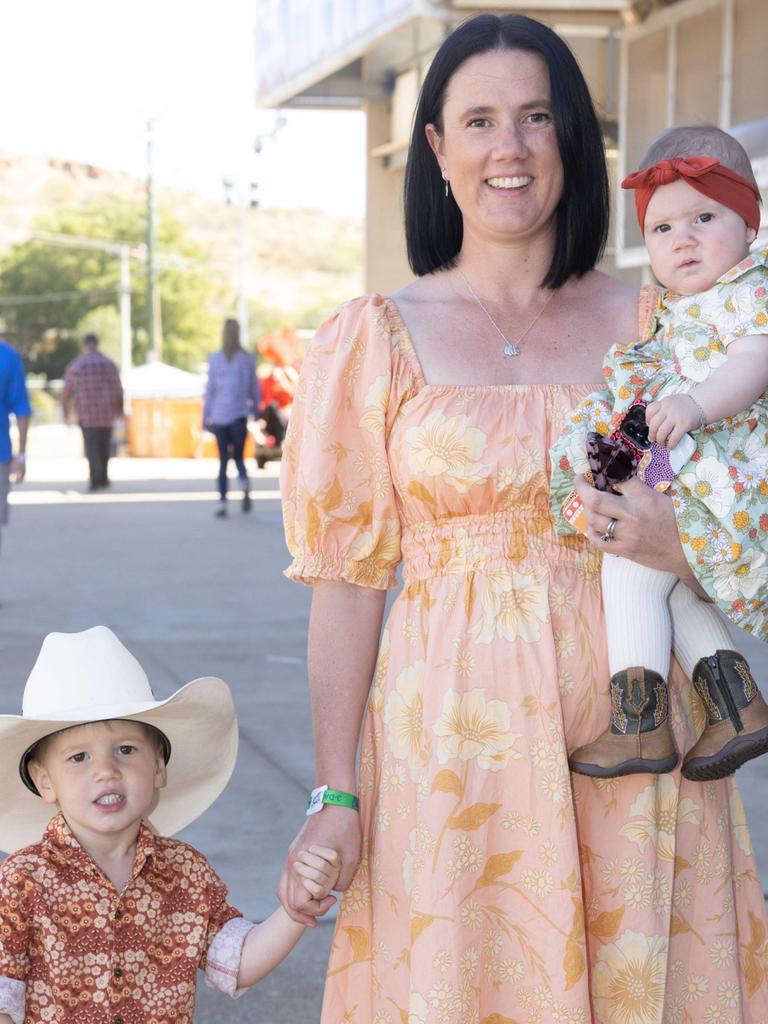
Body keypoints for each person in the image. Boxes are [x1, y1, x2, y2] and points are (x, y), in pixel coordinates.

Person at [277, 13, 768, 1022]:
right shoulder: (374, 339)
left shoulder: (663, 317)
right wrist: (335, 795)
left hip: (640, 758)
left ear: (576, 142)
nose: (510, 146)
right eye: (482, 120)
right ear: (438, 149)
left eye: (539, 117)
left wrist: (687, 547)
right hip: (448, 767)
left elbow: (751, 484)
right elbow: (346, 584)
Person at [550, 126, 768, 782]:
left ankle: (637, 725)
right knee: (668, 587)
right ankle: (736, 707)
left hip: (735, 475)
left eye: (705, 217)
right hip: (696, 473)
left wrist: (697, 404)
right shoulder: (679, 313)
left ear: (749, 224)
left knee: (629, 570)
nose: (686, 239)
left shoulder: (750, 290)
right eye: (665, 228)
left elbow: (756, 362)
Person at [0, 626, 340, 1024]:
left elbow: (237, 960)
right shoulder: (22, 880)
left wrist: (293, 910)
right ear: (44, 781)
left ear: (158, 766)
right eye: (79, 758)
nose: (106, 771)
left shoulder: (184, 873)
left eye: (126, 750)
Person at [203, 319, 260, 518]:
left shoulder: (215, 359)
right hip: (239, 415)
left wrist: (205, 417)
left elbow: (210, 391)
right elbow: (254, 387)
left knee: (223, 461)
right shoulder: (247, 359)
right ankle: (244, 484)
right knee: (238, 459)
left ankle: (222, 504)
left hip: (219, 417)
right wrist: (256, 411)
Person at [61, 333, 123, 491]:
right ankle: (103, 478)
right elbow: (118, 389)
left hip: (87, 414)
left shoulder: (78, 364)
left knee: (91, 447)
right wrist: (120, 410)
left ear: (84, 344)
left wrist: (65, 411)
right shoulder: (109, 364)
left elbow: (67, 391)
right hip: (107, 414)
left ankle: (95, 479)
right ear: (97, 343)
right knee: (105, 445)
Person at [0, 339, 30, 562]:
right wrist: (21, 455)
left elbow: (21, 408)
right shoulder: (8, 356)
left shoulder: (8, 357)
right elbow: (21, 408)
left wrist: (21, 455)